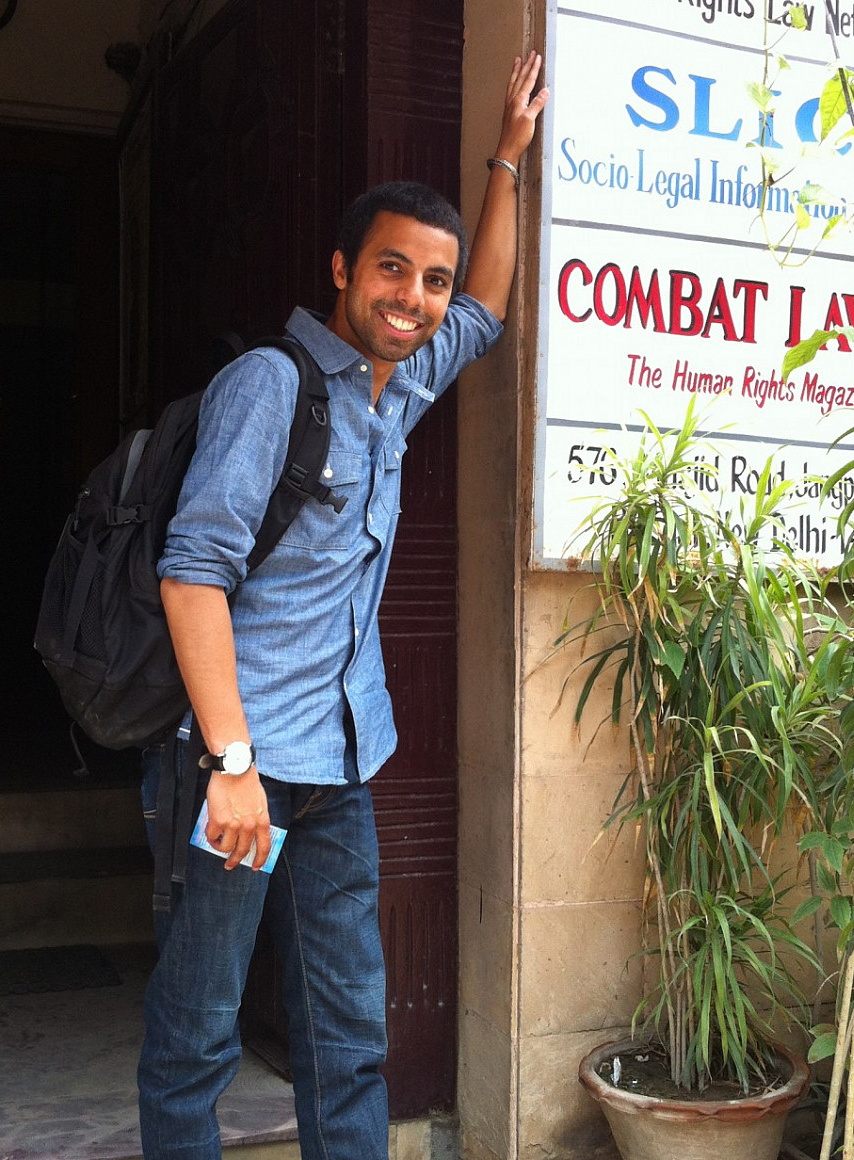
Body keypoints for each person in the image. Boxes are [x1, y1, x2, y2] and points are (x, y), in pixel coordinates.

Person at [137, 52, 549, 1160]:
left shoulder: (398, 386)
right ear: (340, 267)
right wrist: (231, 764)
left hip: (339, 771)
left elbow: (491, 304)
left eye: (427, 279)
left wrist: (503, 159)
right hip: (239, 770)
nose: (412, 299)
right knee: (197, 1036)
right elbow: (193, 573)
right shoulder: (270, 385)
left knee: (349, 1037)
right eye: (391, 270)